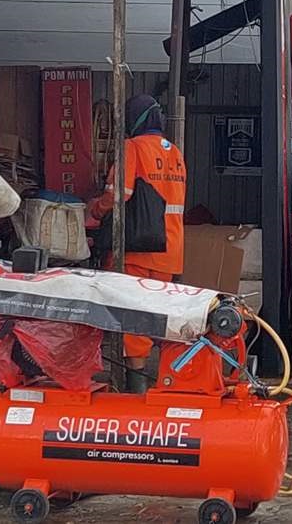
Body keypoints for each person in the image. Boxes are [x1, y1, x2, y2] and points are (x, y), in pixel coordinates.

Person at [88, 95, 187, 393]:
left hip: (138, 249)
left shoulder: (132, 148)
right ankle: (164, 381)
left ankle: (137, 386)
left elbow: (119, 193)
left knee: (133, 316)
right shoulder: (175, 153)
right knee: (157, 314)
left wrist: (95, 210)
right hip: (170, 249)